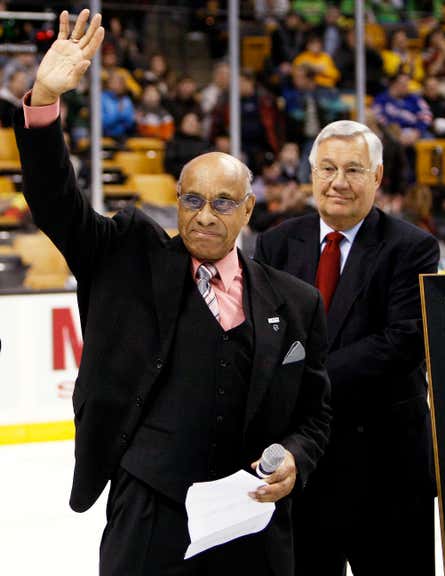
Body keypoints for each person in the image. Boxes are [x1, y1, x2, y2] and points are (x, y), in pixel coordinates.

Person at [13, 10, 331, 576]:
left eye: (223, 203)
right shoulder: (127, 255)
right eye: (191, 200)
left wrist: (298, 462)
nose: (204, 217)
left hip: (251, 522)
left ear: (249, 210)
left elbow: (314, 415)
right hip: (148, 513)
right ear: (177, 200)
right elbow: (57, 203)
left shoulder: (297, 302)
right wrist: (43, 100)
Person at [254, 120, 439, 575]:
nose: (339, 182)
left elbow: (401, 344)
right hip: (305, 471)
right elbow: (261, 339)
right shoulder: (276, 244)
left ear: (377, 176)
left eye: (354, 170)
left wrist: (303, 379)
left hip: (389, 473)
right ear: (312, 173)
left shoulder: (412, 248)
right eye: (328, 168)